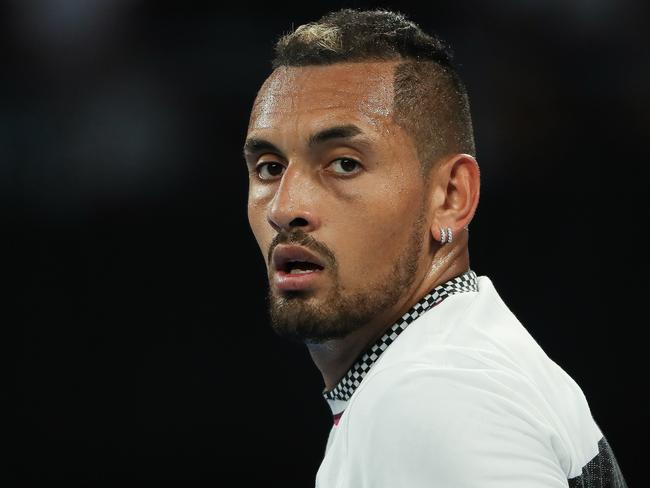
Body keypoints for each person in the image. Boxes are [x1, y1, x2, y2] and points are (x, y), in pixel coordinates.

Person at [242, 8, 627, 488]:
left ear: (450, 196)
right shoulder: (452, 363)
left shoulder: (431, 395)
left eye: (343, 164)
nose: (285, 207)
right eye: (269, 168)